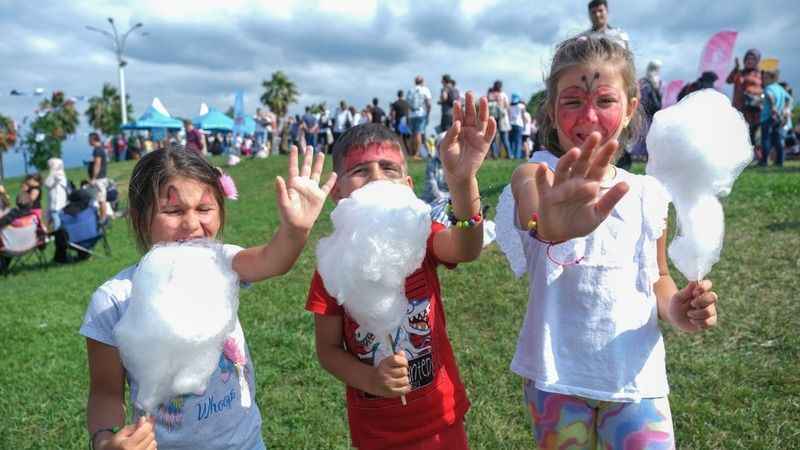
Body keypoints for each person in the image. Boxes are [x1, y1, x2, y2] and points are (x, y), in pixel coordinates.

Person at [500, 35, 718, 448]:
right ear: (550, 109)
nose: (589, 115)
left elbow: (657, 279)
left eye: (604, 100)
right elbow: (537, 219)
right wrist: (552, 226)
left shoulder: (647, 193)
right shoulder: (535, 176)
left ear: (631, 106)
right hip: (556, 377)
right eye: (572, 101)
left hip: (636, 376)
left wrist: (678, 310)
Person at [81, 145, 337, 450]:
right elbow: (105, 393)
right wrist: (105, 440)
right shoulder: (113, 300)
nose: (191, 225)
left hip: (246, 442)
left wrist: (295, 230)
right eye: (173, 211)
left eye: (204, 209)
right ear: (140, 218)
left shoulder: (222, 262)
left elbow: (272, 260)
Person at [306, 95, 494, 450]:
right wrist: (371, 379)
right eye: (360, 171)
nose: (377, 178)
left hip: (441, 416)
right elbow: (328, 349)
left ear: (408, 186)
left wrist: (463, 180)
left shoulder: (422, 240)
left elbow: (467, 249)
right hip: (378, 431)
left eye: (388, 169)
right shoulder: (334, 263)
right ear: (337, 194)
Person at [726, 49, 763, 148]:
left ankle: (754, 154)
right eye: (747, 59)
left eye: (753, 59)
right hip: (740, 105)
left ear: (757, 61)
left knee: (753, 131)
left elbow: (765, 88)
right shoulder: (739, 72)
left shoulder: (760, 74)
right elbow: (728, 81)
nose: (749, 61)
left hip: (755, 107)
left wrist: (753, 92)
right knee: (739, 130)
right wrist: (736, 69)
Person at [759, 69, 790, 167]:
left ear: (771, 78)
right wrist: (785, 110)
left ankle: (764, 161)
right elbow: (788, 99)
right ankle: (780, 161)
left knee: (765, 139)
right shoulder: (780, 89)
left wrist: (773, 106)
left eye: (765, 78)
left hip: (768, 116)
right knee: (777, 139)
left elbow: (769, 96)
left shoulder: (768, 87)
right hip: (778, 118)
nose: (763, 80)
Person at [407, 75, 433, 159]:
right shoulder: (425, 90)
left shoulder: (410, 90)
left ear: (415, 82)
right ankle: (417, 154)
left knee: (412, 134)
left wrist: (408, 116)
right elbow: (428, 104)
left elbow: (408, 104)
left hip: (412, 114)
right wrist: (428, 114)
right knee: (418, 133)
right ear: (422, 81)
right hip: (421, 113)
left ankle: (411, 152)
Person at [88, 132, 110, 222]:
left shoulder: (97, 150)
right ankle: (102, 217)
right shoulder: (100, 149)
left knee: (101, 200)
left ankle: (103, 218)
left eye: (89, 139)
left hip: (99, 178)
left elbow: (97, 164)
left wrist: (93, 178)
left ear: (93, 139)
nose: (88, 141)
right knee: (100, 199)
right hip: (101, 178)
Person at [44, 158, 70, 231]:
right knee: (58, 217)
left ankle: (57, 233)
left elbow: (47, 184)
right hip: (60, 200)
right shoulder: (62, 174)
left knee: (56, 218)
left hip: (56, 201)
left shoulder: (55, 174)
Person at [488, 81, 512, 158]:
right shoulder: (503, 95)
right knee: (504, 138)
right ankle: (509, 155)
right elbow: (507, 106)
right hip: (502, 117)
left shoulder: (491, 94)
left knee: (493, 138)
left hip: (493, 117)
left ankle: (494, 155)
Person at [509, 94, 526, 159]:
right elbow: (523, 116)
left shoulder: (510, 106)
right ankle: (517, 156)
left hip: (511, 124)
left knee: (511, 141)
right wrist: (524, 124)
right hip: (519, 124)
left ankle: (511, 155)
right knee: (518, 141)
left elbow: (509, 116)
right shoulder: (522, 106)